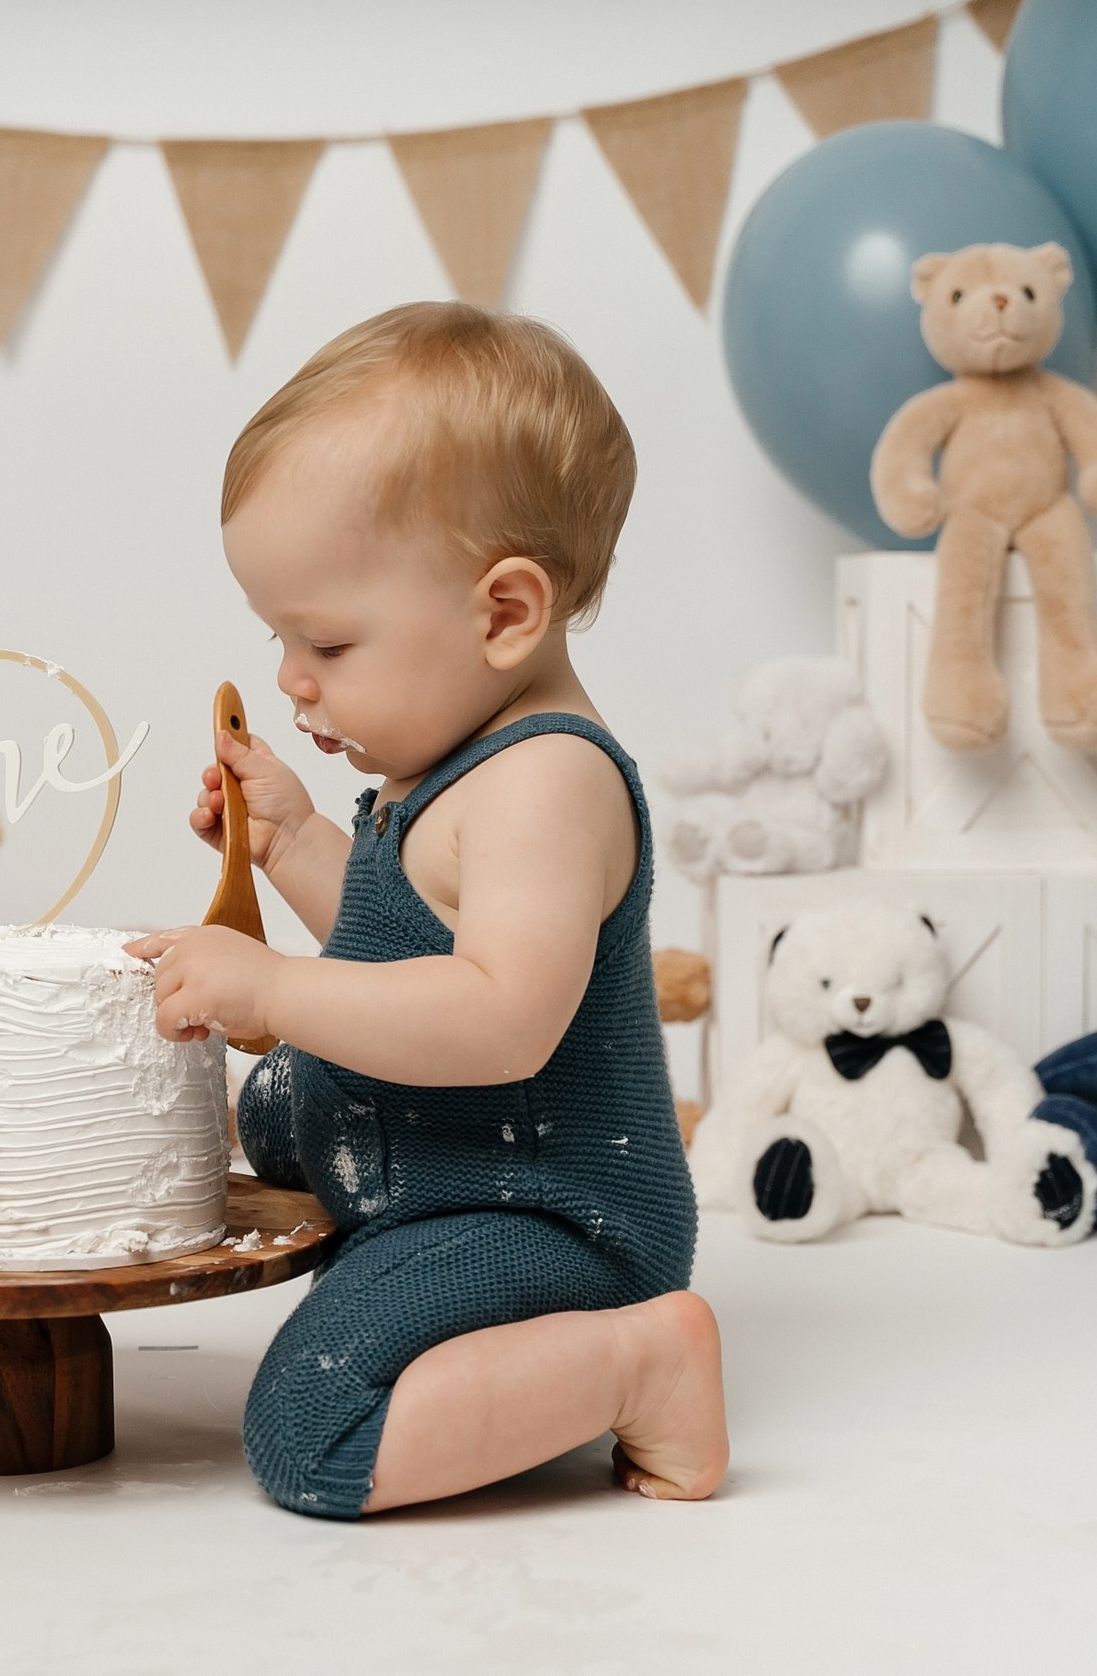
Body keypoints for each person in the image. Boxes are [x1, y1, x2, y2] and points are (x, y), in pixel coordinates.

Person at [126, 301, 726, 1519]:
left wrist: (275, 988)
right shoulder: (452, 766)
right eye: (278, 638)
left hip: (549, 1216)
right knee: (289, 1099)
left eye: (328, 643)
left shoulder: (547, 781)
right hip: (450, 1185)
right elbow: (409, 935)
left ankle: (634, 1359)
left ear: (504, 613)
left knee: (310, 1429)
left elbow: (498, 1016)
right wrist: (292, 838)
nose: (293, 677)